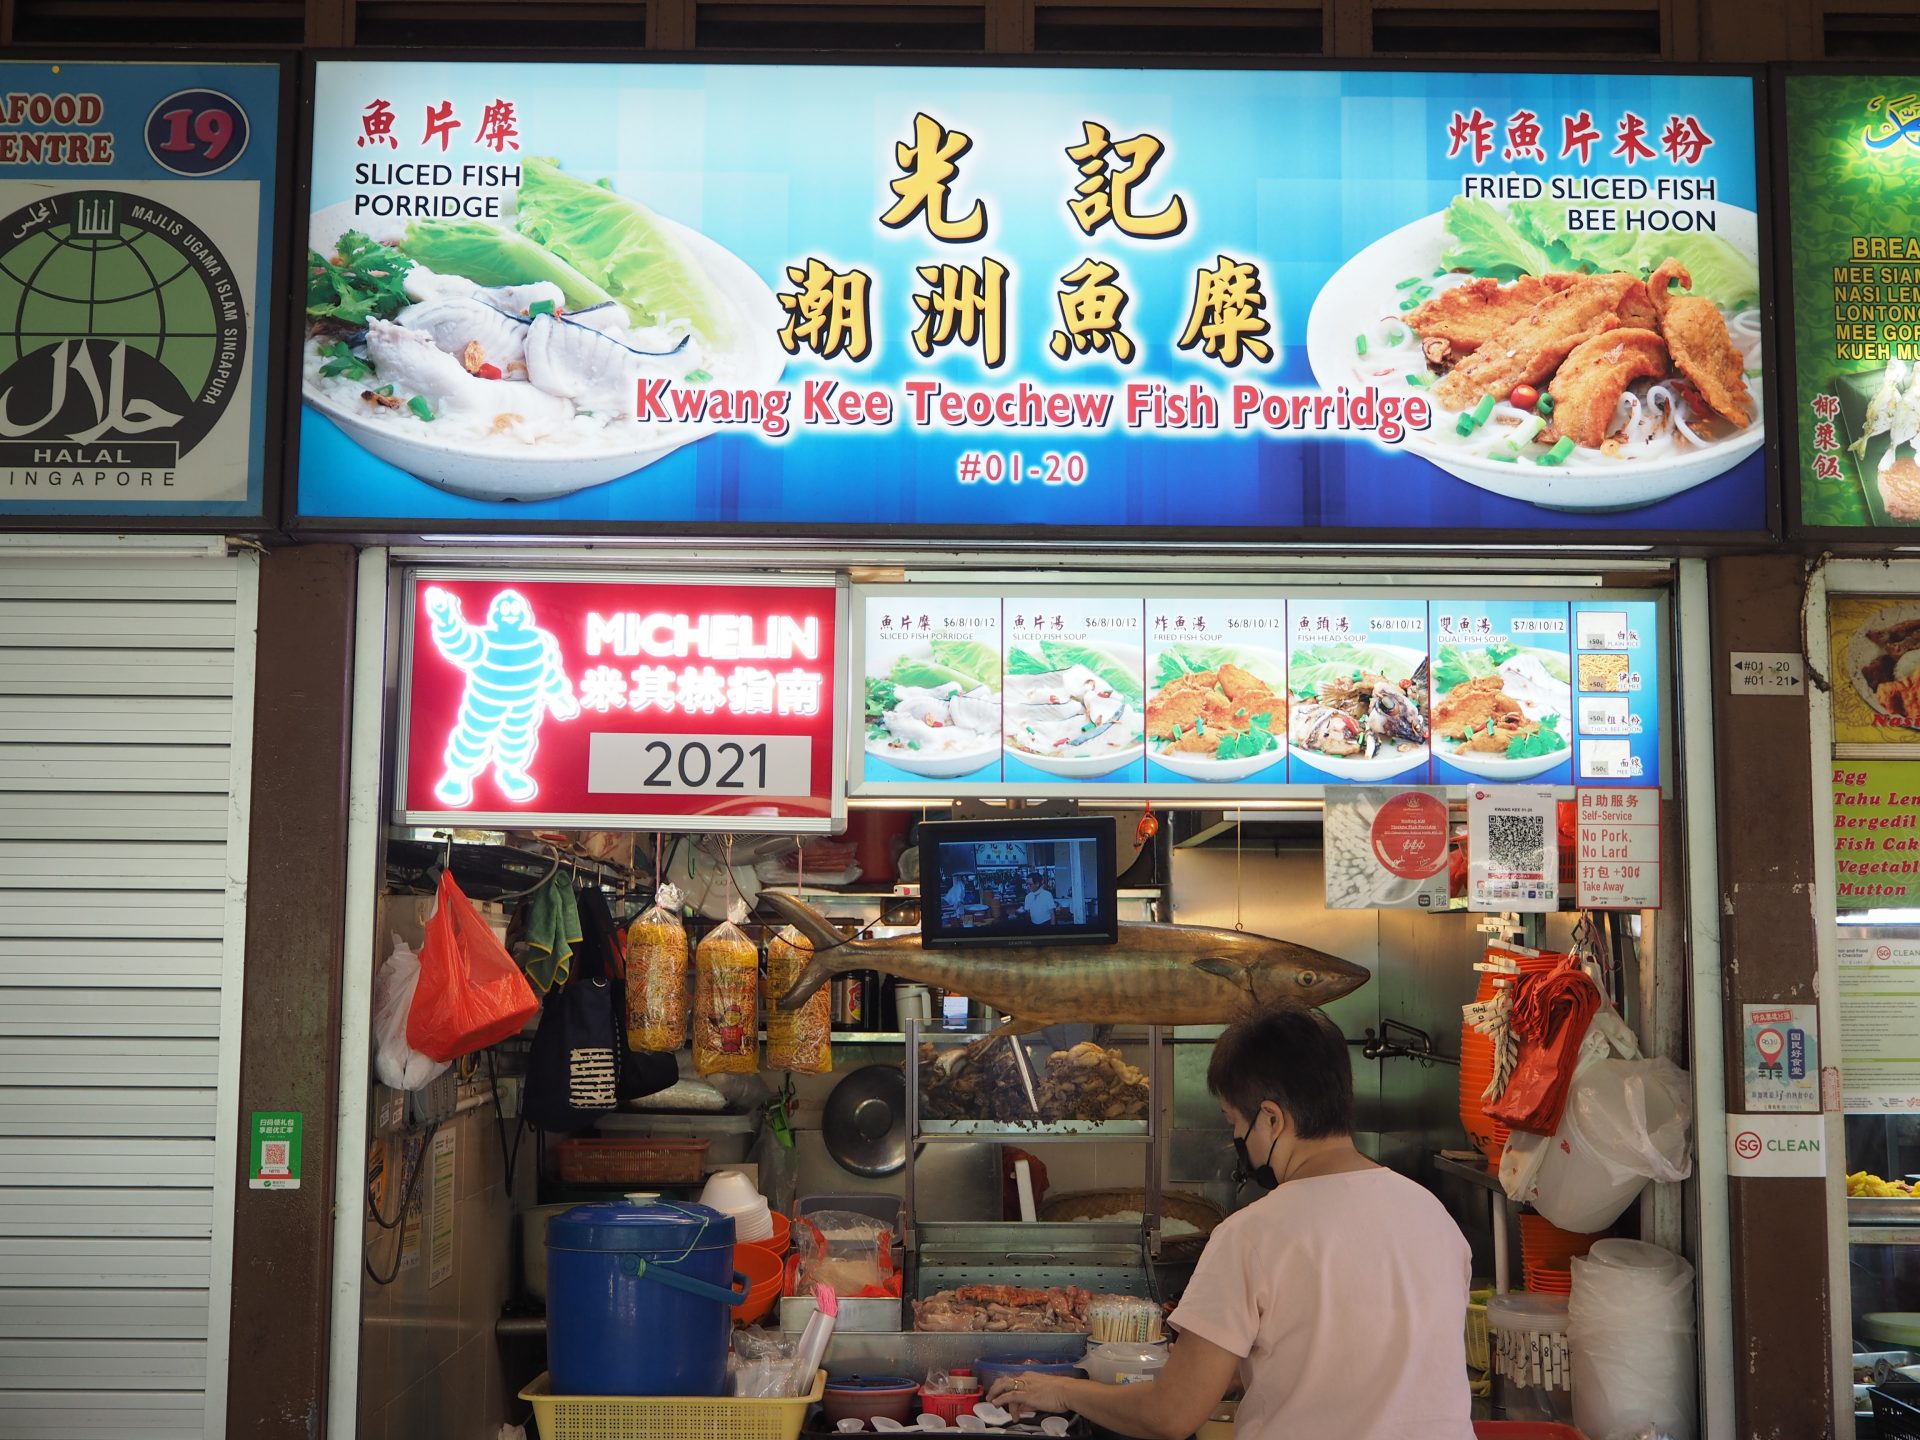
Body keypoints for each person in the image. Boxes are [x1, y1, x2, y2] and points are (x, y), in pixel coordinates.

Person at [987, 1005, 1476, 1440]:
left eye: (1233, 1122)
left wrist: (1064, 1391)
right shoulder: (1433, 1215)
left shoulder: (1252, 1234)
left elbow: (1171, 1415)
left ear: (1271, 1119)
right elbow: (1348, 1354)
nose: (1236, 1137)